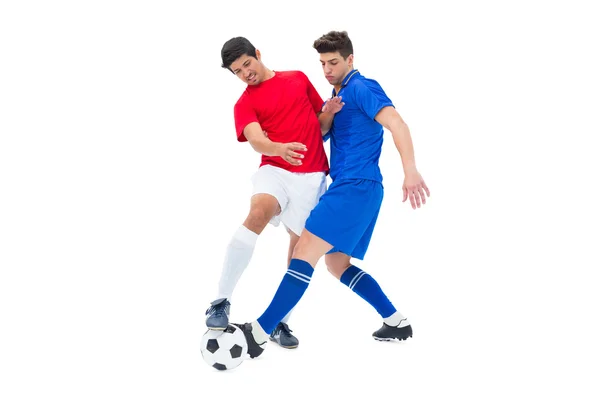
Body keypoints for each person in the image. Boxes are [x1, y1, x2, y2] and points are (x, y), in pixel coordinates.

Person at [234, 30, 430, 358]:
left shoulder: (362, 87)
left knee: (304, 249)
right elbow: (319, 132)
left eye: (334, 62)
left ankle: (259, 331)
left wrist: (410, 170)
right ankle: (395, 322)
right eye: (322, 63)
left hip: (355, 187)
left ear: (350, 59)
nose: (327, 69)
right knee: (337, 264)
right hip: (356, 189)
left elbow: (398, 124)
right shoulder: (336, 98)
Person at [204, 36, 344, 349]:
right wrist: (278, 148)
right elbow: (255, 140)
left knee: (300, 249)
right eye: (237, 71)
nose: (245, 73)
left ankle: (282, 322)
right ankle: (220, 301)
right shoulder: (244, 103)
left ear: (258, 54)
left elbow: (319, 127)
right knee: (257, 213)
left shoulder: (296, 79)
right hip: (275, 170)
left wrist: (330, 111)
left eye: (247, 64)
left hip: (312, 175)